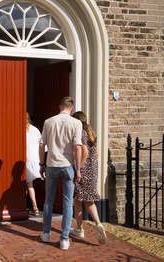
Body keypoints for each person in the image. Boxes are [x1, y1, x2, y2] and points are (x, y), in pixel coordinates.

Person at [38, 96, 82, 251]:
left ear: (59, 106)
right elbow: (77, 147)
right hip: (68, 165)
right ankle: (64, 239)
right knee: (67, 202)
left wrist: (41, 164)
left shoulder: (49, 121)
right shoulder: (76, 123)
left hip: (51, 164)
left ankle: (46, 233)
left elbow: (42, 144)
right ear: (71, 108)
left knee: (49, 201)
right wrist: (78, 169)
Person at [70, 111, 107, 244]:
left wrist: (78, 168)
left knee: (79, 200)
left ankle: (82, 228)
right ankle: (94, 225)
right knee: (88, 199)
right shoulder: (91, 132)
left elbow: (84, 152)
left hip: (83, 171)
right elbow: (96, 154)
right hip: (93, 170)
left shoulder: (81, 133)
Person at [26, 112, 42, 216]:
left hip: (25, 159)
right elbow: (42, 144)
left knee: (26, 185)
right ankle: (34, 207)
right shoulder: (35, 129)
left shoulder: (18, 129)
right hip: (35, 159)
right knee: (29, 185)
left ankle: (34, 207)